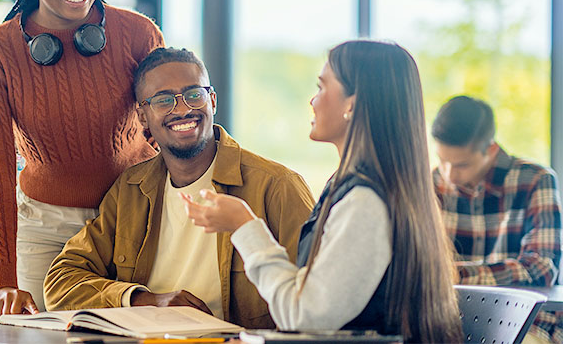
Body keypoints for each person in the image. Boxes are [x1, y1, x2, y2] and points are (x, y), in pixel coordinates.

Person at [182, 40, 463, 342]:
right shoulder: (362, 189)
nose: (313, 101)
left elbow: (305, 316)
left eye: (321, 87)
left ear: (352, 104)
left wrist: (244, 226)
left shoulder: (364, 203)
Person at [0, 0, 164, 316]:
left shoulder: (137, 34)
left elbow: (166, 134)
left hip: (133, 218)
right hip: (45, 229)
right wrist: (1, 280)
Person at [43, 47, 315, 329]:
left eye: (194, 94)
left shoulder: (277, 186)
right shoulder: (130, 190)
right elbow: (60, 281)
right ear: (142, 116)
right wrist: (144, 300)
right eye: (163, 100)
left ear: (212, 100)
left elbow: (315, 299)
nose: (183, 109)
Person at [431, 95, 563, 344]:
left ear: (491, 150)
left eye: (461, 165)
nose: (448, 174)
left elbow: (541, 268)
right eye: (442, 161)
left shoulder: (536, 180)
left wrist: (451, 275)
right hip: (448, 324)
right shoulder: (429, 185)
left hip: (525, 325)